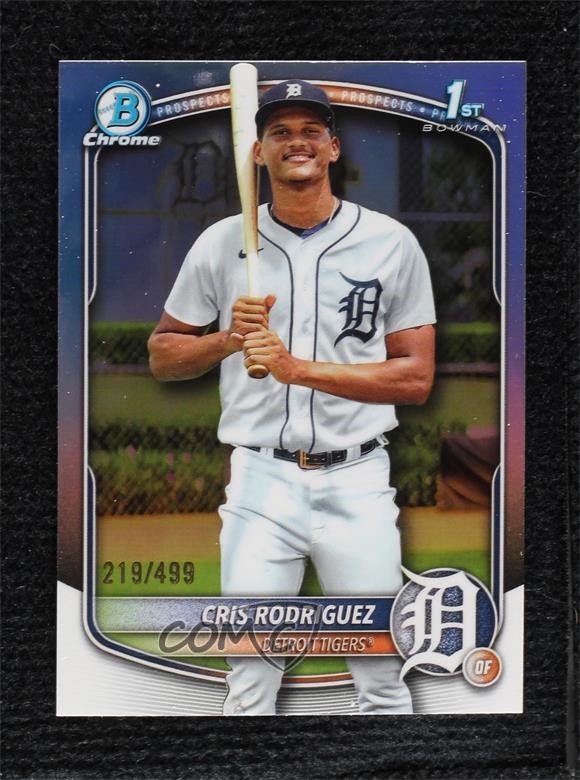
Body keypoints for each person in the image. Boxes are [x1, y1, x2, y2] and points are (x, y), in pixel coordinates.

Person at [148, 78, 436, 715]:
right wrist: (228, 339)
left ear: (333, 147)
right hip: (261, 484)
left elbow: (415, 378)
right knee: (250, 677)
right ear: (258, 152)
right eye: (280, 131)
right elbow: (164, 355)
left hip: (358, 480)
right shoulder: (221, 242)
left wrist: (294, 368)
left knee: (381, 677)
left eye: (311, 131)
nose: (296, 141)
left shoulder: (391, 242)